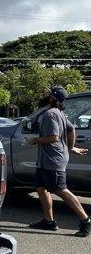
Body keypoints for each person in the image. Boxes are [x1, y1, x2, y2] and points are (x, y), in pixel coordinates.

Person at [28, 86, 90, 237]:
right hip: (46, 161)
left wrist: (34, 140)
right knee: (41, 188)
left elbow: (53, 137)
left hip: (53, 160)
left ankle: (85, 220)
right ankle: (49, 221)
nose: (45, 94)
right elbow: (71, 130)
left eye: (48, 93)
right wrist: (71, 147)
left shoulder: (50, 114)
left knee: (61, 190)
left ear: (52, 98)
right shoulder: (61, 113)